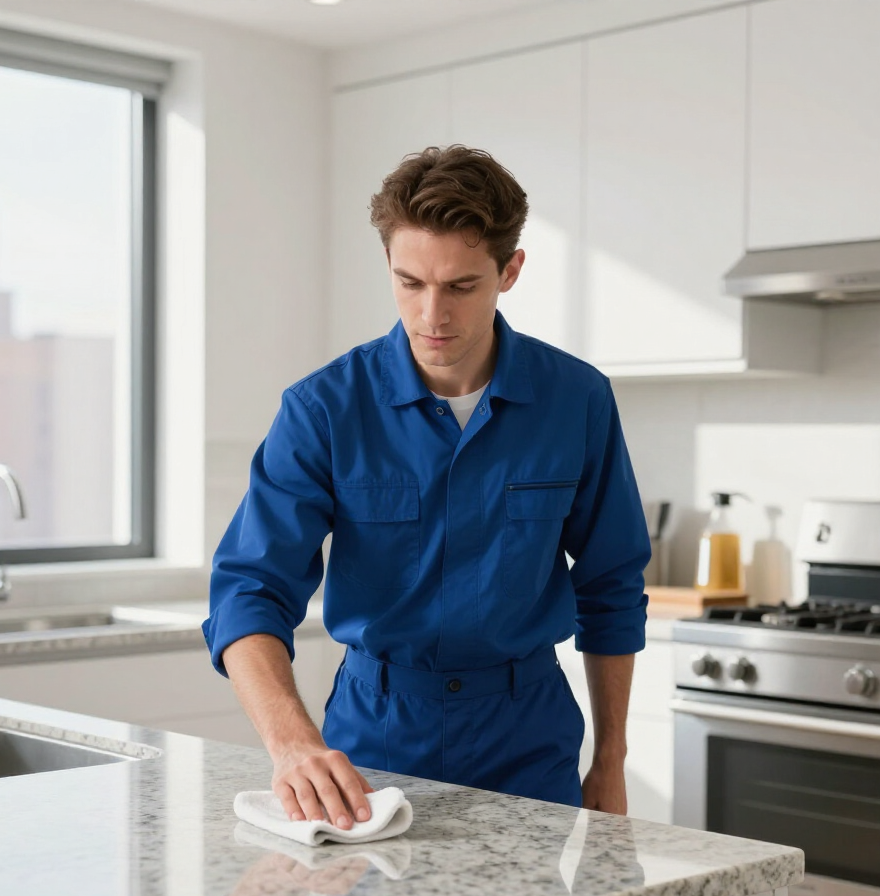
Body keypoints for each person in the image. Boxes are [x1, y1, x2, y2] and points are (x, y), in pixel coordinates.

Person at [203, 145, 650, 831]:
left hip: (529, 742)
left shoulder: (578, 401)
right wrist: (292, 744)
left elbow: (611, 586)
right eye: (409, 282)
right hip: (375, 743)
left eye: (461, 286)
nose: (431, 314)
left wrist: (611, 761)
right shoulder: (323, 409)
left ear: (510, 271)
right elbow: (248, 591)